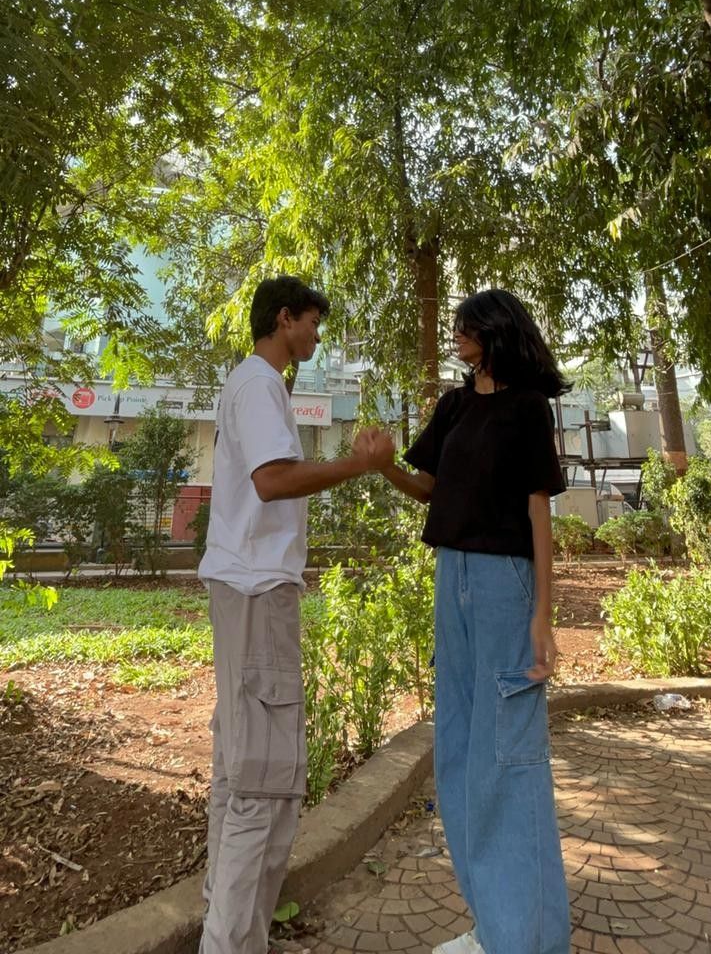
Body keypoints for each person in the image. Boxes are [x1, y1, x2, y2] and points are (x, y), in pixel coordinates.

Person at [197, 275, 394, 954]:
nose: (315, 335)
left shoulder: (258, 386)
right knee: (262, 784)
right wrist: (359, 464)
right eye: (311, 322)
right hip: (256, 595)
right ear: (284, 320)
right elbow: (273, 480)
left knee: (239, 775)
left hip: (244, 593)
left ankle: (224, 931)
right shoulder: (257, 384)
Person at [374, 289, 571, 954]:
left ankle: (531, 939)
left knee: (508, 758)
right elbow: (428, 488)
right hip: (450, 576)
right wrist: (381, 468)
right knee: (459, 754)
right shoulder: (456, 405)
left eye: (467, 326)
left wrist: (545, 614)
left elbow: (539, 515)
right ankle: (497, 929)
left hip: (503, 583)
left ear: (495, 331)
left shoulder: (526, 409)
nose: (456, 334)